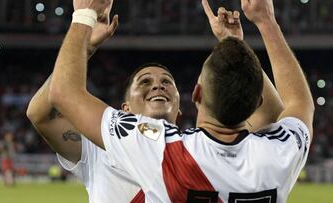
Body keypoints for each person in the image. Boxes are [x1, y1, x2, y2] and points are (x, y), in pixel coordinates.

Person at [48, 0, 314, 202]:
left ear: (196, 95)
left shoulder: (164, 150)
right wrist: (265, 23)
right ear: (257, 102)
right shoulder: (279, 155)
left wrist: (84, 14)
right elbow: (296, 103)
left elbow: (62, 92)